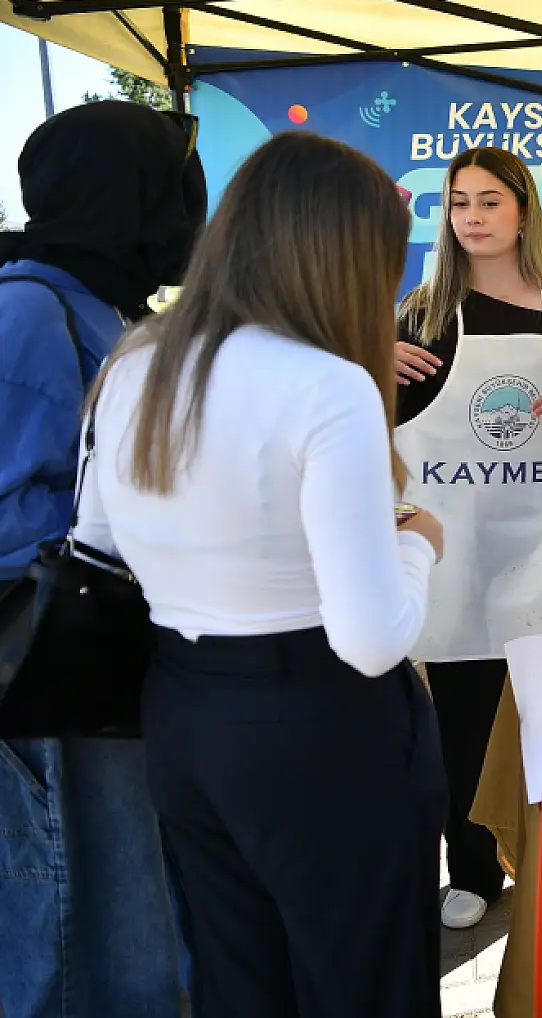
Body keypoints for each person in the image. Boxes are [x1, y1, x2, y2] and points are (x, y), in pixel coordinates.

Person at [76, 132, 449, 1018]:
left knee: (238, 981)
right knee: (365, 986)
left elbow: (95, 543)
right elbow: (371, 639)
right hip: (322, 726)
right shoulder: (327, 384)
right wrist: (419, 545)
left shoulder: (135, 365)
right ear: (346, 258)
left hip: (183, 715)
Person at [0, 101, 204, 1018]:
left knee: (129, 896)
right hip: (48, 653)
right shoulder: (27, 309)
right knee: (74, 898)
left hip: (107, 647)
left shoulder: (107, 304)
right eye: (170, 187)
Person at [394, 146, 542, 930]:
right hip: (461, 550)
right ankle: (474, 868)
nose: (472, 217)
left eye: (489, 201)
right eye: (459, 202)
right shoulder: (422, 310)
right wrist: (374, 359)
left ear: (523, 211)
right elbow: (388, 420)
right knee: (463, 721)